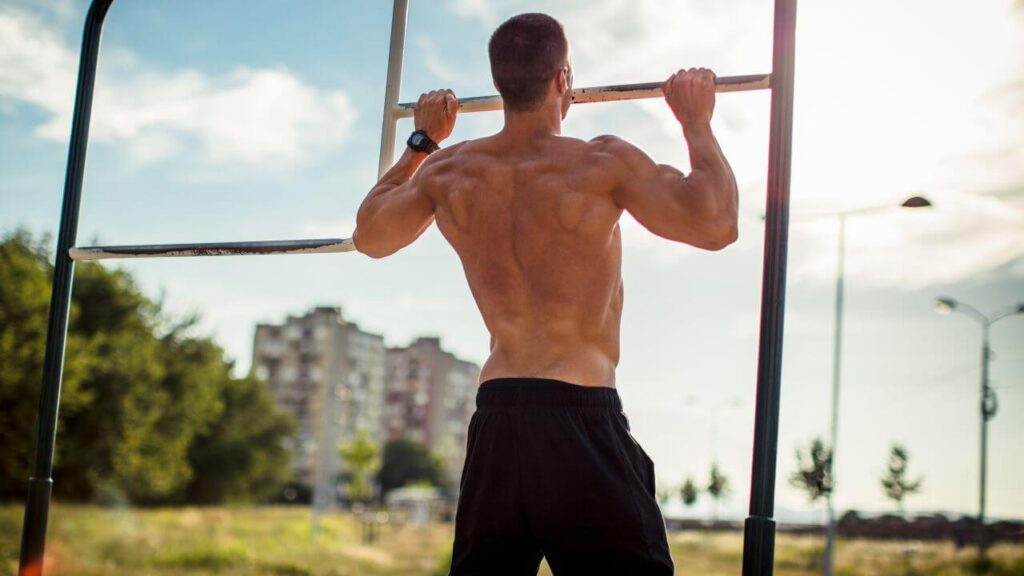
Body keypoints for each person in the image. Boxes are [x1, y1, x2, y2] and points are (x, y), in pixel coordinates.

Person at [353, 12, 737, 576]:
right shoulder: (599, 162)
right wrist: (696, 123)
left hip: (499, 419)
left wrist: (422, 142)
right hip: (577, 415)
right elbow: (715, 225)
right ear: (563, 81)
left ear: (501, 83)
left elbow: (370, 236)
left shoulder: (450, 170)